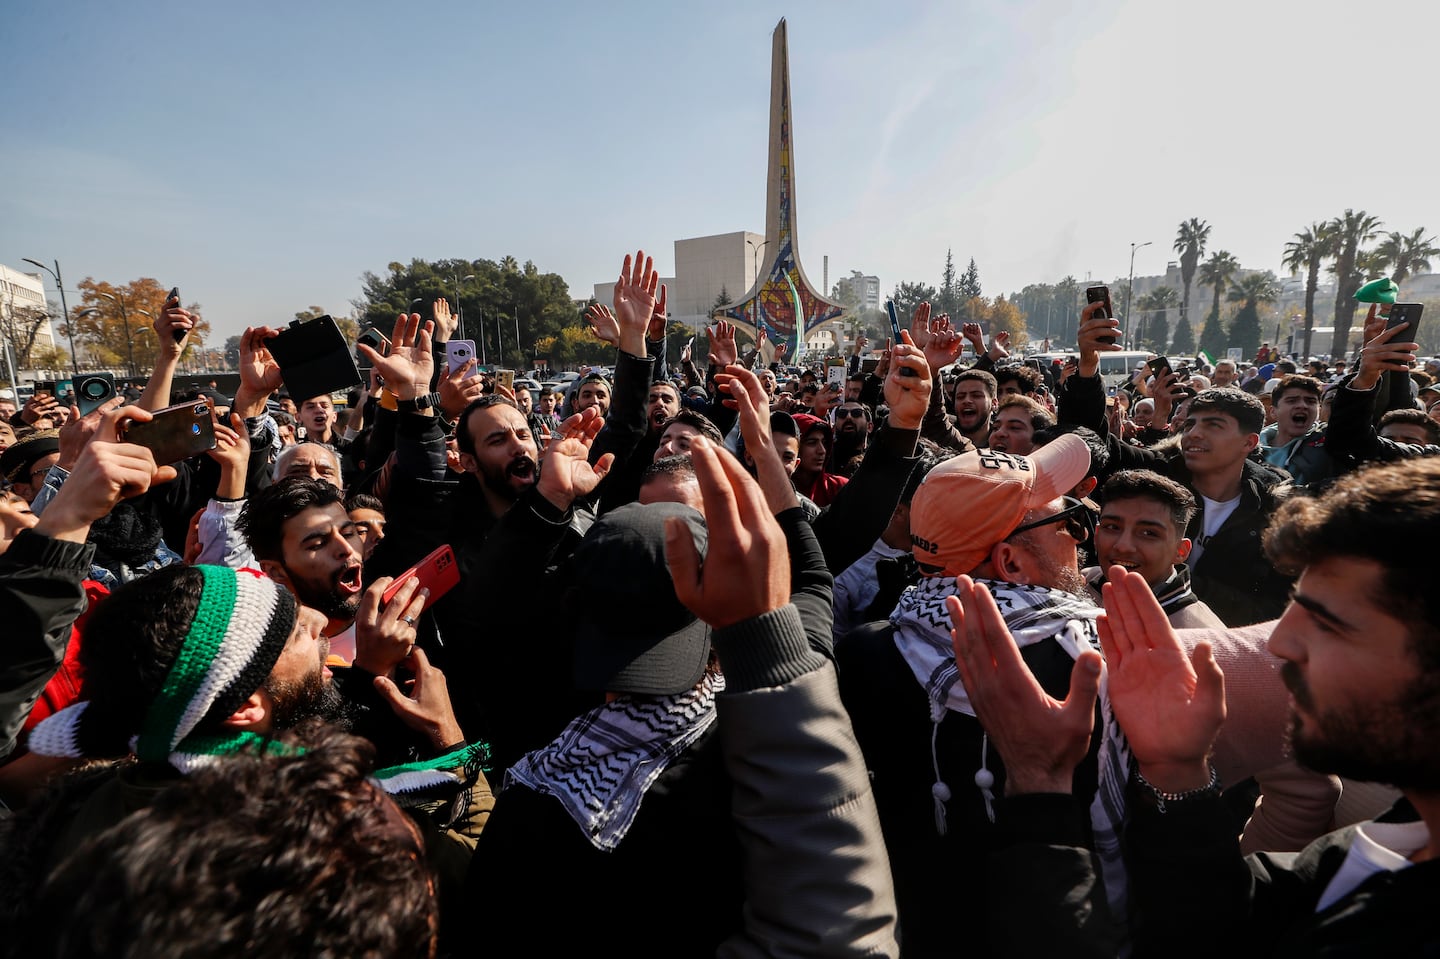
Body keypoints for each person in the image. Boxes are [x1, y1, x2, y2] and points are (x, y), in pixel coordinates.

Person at [954, 456, 1440, 956]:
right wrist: (1177, 772)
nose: (1281, 643)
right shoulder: (1380, 846)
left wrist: (1039, 789)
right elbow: (1220, 927)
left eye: (1330, 623)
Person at [836, 433, 1131, 957]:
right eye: (1067, 523)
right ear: (1010, 563)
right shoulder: (1095, 659)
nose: (1080, 538)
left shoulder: (866, 650)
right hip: (1059, 928)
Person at [1084, 469, 1224, 629]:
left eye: (1148, 533)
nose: (1123, 546)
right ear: (1096, 534)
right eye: (1112, 527)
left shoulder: (1202, 636)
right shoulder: (1079, 584)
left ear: (1181, 551)